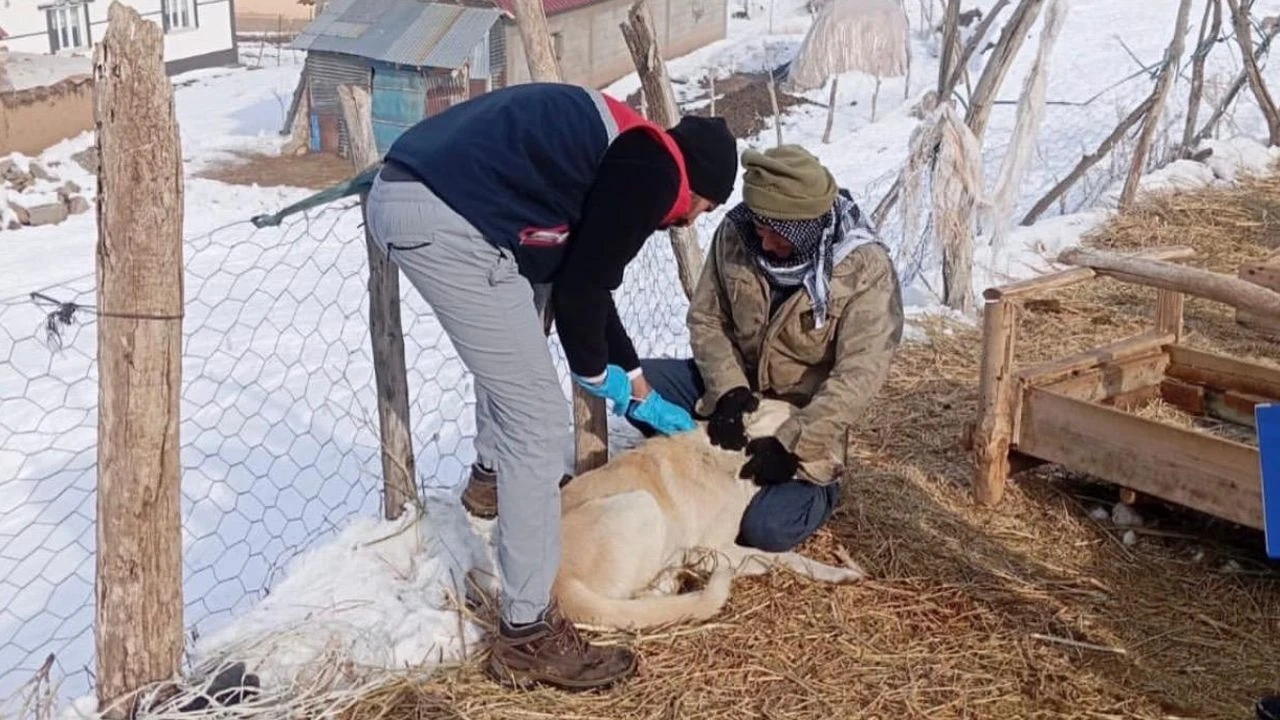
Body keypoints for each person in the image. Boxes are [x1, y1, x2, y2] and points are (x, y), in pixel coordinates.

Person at [365, 82, 739, 690]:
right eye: (705, 208)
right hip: (445, 215)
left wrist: (636, 381)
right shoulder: (651, 174)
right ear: (697, 190)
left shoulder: (629, 152)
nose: (693, 220)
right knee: (538, 420)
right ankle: (528, 632)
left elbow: (584, 274)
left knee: (521, 329)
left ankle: (491, 483)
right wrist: (597, 376)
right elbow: (583, 288)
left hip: (427, 193)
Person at [631, 144, 905, 553]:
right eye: (761, 228)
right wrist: (727, 392)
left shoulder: (864, 269)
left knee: (766, 530)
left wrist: (793, 443)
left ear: (807, 229)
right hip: (741, 391)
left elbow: (859, 375)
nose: (766, 242)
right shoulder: (736, 235)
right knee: (641, 387)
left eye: (779, 234)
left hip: (804, 414)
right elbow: (707, 318)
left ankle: (815, 491)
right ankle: (715, 461)